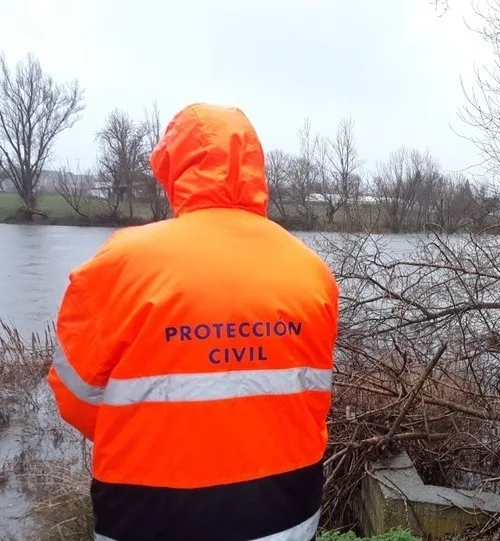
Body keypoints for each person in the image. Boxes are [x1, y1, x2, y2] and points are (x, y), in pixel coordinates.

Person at [47, 103, 339, 541]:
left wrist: (153, 433)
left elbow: (75, 398)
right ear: (254, 166)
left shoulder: (123, 262)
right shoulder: (312, 271)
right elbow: (311, 398)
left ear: (172, 168)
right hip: (287, 512)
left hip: (151, 511)